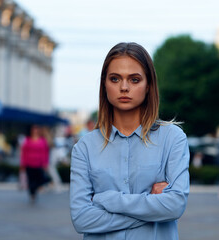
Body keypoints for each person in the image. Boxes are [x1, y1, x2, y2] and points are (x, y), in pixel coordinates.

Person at [70, 42, 190, 239]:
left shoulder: (173, 138)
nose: (124, 87)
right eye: (115, 79)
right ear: (104, 84)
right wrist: (153, 208)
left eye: (134, 80)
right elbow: (82, 219)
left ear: (148, 85)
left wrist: (106, 200)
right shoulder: (85, 147)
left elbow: (175, 206)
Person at [20, 125, 50, 203]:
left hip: (38, 163)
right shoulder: (27, 140)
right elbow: (24, 152)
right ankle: (32, 193)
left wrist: (45, 163)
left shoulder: (42, 141)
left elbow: (45, 152)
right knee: (30, 180)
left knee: (38, 179)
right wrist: (23, 163)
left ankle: (35, 190)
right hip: (29, 163)